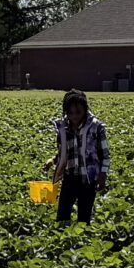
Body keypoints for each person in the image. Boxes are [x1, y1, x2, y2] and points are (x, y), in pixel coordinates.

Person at [48, 91, 110, 225]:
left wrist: (103, 175)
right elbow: (63, 152)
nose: (74, 116)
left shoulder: (96, 128)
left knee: (84, 217)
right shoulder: (63, 128)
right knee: (62, 216)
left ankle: (83, 239)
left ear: (85, 110)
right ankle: (62, 239)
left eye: (78, 112)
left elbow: (104, 155)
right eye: (70, 113)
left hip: (88, 179)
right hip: (69, 177)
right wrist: (53, 161)